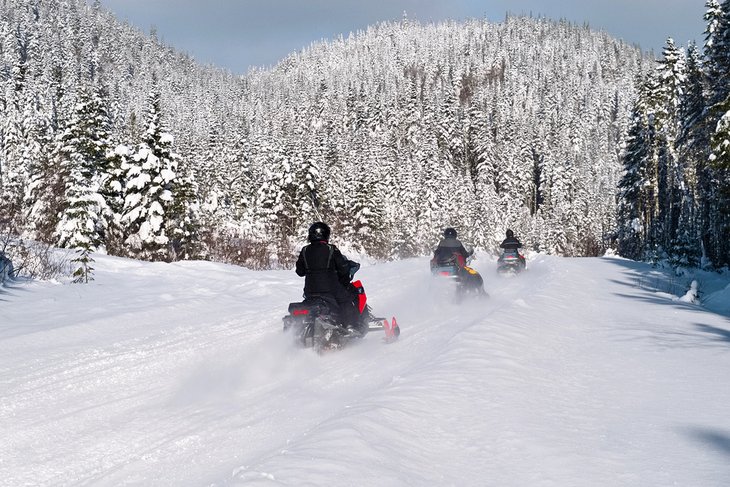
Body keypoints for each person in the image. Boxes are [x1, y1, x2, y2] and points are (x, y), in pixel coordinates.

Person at [295, 222, 361, 333]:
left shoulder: (305, 250)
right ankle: (351, 326)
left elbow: (300, 271)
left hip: (310, 291)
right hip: (330, 290)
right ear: (326, 234)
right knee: (346, 300)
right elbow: (343, 268)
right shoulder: (331, 249)